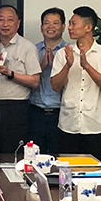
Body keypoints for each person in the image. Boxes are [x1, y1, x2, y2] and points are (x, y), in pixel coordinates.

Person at [51, 6, 101, 162]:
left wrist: (86, 65)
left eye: (73, 24)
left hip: (96, 126)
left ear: (88, 27)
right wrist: (68, 65)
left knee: (96, 172)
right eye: (69, 24)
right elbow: (55, 86)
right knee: (67, 171)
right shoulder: (63, 53)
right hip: (68, 124)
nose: (69, 28)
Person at [0, 5, 41, 153]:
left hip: (14, 109)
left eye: (10, 20)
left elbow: (35, 81)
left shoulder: (27, 47)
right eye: (1, 20)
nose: (5, 24)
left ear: (18, 23)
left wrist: (10, 73)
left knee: (11, 154)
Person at [28, 8, 66, 154]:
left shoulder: (69, 52)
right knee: (35, 157)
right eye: (47, 23)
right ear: (41, 27)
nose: (50, 26)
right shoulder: (32, 50)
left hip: (61, 113)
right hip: (35, 112)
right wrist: (41, 67)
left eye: (55, 23)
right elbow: (25, 82)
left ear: (63, 26)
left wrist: (59, 66)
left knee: (59, 157)